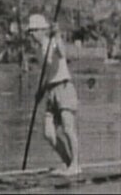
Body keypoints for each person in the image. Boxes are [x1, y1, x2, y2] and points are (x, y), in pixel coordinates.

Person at [28, 14, 82, 176]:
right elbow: (47, 73)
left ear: (41, 30)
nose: (31, 34)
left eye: (33, 30)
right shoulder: (37, 50)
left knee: (68, 128)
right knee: (49, 134)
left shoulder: (52, 42)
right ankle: (68, 163)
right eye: (30, 31)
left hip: (64, 87)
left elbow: (63, 53)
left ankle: (76, 165)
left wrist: (57, 34)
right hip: (51, 91)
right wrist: (41, 92)